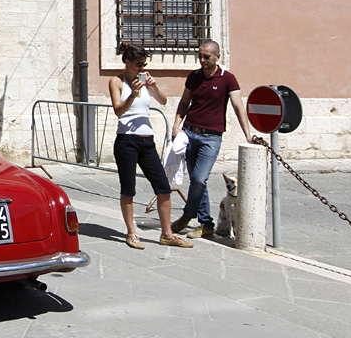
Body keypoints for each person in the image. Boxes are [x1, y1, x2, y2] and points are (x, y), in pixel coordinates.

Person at [108, 43, 193, 250]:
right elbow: (118, 111)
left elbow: (163, 101)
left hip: (147, 142)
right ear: (127, 62)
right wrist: (132, 95)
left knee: (163, 187)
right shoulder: (116, 81)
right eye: (138, 64)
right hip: (126, 141)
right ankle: (131, 233)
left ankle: (167, 234)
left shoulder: (144, 81)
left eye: (144, 64)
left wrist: (153, 87)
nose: (142, 68)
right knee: (128, 188)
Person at [171, 40, 254, 239]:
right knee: (197, 181)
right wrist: (176, 125)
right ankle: (206, 224)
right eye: (200, 56)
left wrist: (248, 134)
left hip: (212, 136)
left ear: (217, 57)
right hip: (190, 133)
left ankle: (188, 214)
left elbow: (237, 106)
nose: (202, 60)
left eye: (206, 57)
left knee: (200, 178)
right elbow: (184, 102)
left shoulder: (228, 79)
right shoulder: (194, 77)